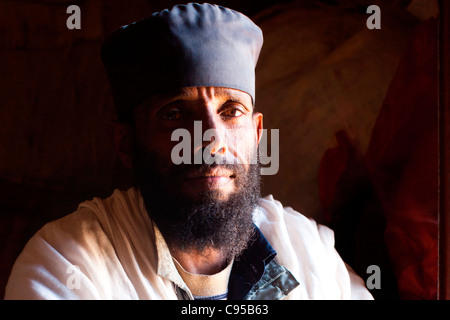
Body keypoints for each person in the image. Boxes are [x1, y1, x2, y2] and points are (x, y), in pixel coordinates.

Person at [4, 3, 372, 300]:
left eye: (231, 111)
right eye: (175, 114)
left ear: (257, 133)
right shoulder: (67, 265)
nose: (211, 139)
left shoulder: (309, 251)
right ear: (126, 143)